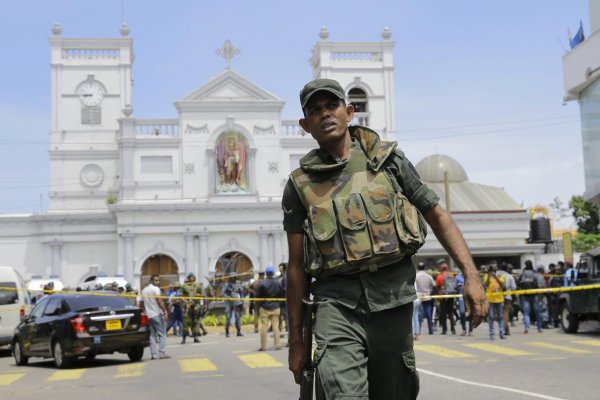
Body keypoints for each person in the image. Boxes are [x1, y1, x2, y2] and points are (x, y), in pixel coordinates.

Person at [283, 78, 488, 400]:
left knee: (395, 392)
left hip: (392, 300)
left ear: (349, 112)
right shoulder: (299, 185)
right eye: (315, 110)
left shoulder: (388, 160)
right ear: (305, 125)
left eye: (331, 105)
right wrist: (296, 341)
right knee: (343, 393)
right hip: (336, 304)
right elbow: (296, 267)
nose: (325, 114)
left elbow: (437, 214)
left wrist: (471, 277)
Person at [140, 274, 170, 360]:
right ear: (151, 281)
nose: (158, 282)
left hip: (149, 315)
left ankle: (153, 354)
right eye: (156, 280)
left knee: (152, 335)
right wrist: (165, 311)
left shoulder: (144, 290)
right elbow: (159, 301)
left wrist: (145, 311)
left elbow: (141, 304)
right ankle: (162, 353)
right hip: (157, 314)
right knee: (162, 334)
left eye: (158, 280)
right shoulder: (156, 289)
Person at [256, 266, 284, 351]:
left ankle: (263, 346)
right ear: (273, 273)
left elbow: (257, 296)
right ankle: (277, 345)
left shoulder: (262, 283)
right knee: (275, 326)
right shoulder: (278, 283)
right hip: (276, 307)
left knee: (264, 326)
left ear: (266, 273)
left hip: (265, 307)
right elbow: (281, 294)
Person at [180, 273, 207, 344]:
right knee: (186, 322)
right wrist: (186, 301)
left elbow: (203, 295)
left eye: (192, 277)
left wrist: (198, 295)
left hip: (196, 307)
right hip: (187, 307)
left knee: (196, 322)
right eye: (190, 278)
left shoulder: (198, 286)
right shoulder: (184, 286)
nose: (191, 279)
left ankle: (195, 337)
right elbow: (180, 296)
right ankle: (184, 338)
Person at [518, 260, 542, 334]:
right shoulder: (535, 273)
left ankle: (526, 328)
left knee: (526, 313)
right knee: (537, 312)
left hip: (525, 295)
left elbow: (518, 284)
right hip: (534, 295)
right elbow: (539, 285)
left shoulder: (522, 273)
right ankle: (539, 328)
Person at [483, 263, 506, 340]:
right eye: (493, 267)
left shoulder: (500, 275)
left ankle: (502, 333)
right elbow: (485, 285)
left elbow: (502, 284)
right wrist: (489, 276)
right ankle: (491, 334)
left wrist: (495, 276)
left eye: (496, 267)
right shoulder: (487, 276)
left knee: (500, 317)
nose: (495, 268)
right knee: (491, 317)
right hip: (490, 300)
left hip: (499, 299)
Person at [435, 260, 457, 335]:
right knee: (450, 313)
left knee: (443, 313)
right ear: (447, 268)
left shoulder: (439, 276)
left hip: (443, 296)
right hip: (451, 295)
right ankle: (453, 329)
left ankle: (444, 330)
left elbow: (437, 287)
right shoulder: (452, 275)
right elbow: (455, 285)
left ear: (441, 269)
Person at [415, 262, 436, 335]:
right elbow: (434, 284)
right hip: (427, 296)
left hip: (418, 296)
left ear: (418, 268)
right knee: (429, 314)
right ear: (424, 268)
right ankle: (431, 330)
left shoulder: (416, 276)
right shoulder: (428, 276)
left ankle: (418, 331)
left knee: (419, 314)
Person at [222, 272, 244, 337]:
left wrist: (242, 302)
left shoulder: (238, 285)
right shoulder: (226, 285)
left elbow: (242, 293)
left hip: (237, 303)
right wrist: (228, 297)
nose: (233, 278)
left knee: (238, 317)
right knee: (228, 317)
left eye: (234, 277)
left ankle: (238, 331)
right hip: (229, 303)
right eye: (232, 277)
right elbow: (222, 293)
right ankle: (227, 331)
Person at [497, 262, 516, 335]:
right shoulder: (509, 276)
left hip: (496, 296)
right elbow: (514, 287)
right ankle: (506, 329)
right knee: (506, 313)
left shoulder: (496, 275)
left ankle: (501, 329)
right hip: (507, 297)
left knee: (499, 313)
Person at [278, 262, 289, 333]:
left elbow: (284, 288)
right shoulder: (281, 276)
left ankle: (287, 327)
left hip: (284, 297)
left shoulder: (285, 276)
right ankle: (281, 327)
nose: (279, 269)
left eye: (280, 267)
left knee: (285, 313)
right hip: (283, 297)